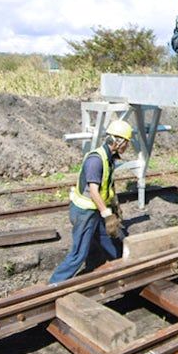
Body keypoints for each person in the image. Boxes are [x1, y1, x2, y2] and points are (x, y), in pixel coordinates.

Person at [49, 120, 132, 284]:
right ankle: (53, 285)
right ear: (118, 141)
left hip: (95, 211)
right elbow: (94, 191)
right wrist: (107, 215)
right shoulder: (96, 160)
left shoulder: (109, 158)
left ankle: (122, 268)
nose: (127, 146)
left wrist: (115, 206)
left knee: (109, 239)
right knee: (79, 254)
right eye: (126, 143)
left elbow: (107, 185)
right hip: (84, 213)